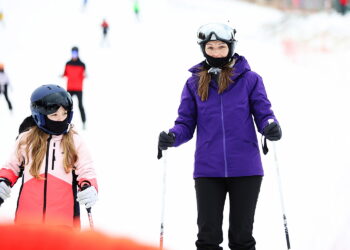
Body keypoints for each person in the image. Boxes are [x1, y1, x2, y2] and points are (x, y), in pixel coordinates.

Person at [157, 23, 282, 250]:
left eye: (221, 47)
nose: (215, 52)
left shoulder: (250, 80)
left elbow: (264, 114)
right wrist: (172, 136)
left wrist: (270, 126)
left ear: (231, 47)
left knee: (241, 237)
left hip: (246, 169)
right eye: (210, 47)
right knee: (207, 238)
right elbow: (185, 123)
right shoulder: (194, 83)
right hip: (207, 170)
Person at [0, 84, 98, 228]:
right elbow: (11, 166)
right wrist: (4, 180)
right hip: (27, 221)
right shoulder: (26, 140)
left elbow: (86, 169)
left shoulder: (75, 141)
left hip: (63, 224)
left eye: (65, 114)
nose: (60, 119)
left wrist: (89, 187)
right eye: (54, 115)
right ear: (40, 116)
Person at [62, 47, 87, 128]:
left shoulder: (82, 64)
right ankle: (64, 122)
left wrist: (85, 76)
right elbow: (65, 73)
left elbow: (83, 75)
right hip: (70, 88)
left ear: (78, 53)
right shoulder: (68, 63)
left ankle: (84, 122)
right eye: (73, 53)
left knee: (80, 105)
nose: (74, 55)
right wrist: (61, 75)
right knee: (66, 106)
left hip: (79, 88)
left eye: (75, 53)